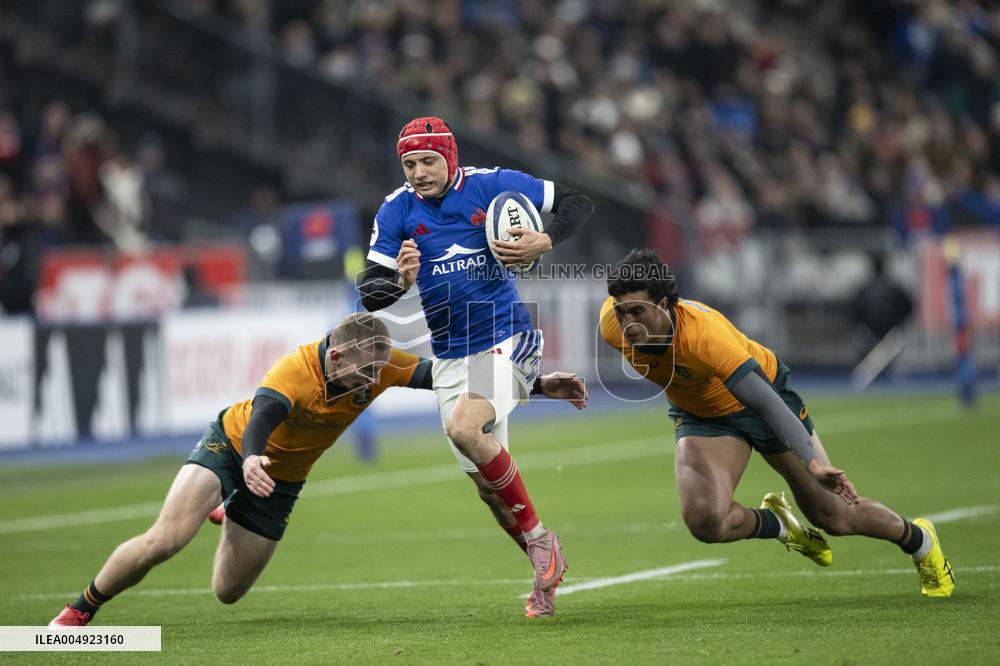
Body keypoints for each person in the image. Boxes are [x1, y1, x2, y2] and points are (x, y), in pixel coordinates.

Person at [49, 313, 587, 626]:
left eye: (376, 374)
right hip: (233, 448)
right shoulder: (296, 371)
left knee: (227, 592)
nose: (370, 383)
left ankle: (233, 509)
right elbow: (263, 416)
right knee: (165, 540)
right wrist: (251, 458)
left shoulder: (376, 364)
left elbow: (442, 379)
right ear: (334, 359)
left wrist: (539, 385)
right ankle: (77, 613)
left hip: (281, 482)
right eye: (362, 375)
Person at [597, 248, 954, 598]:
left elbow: (765, 401)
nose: (628, 324)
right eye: (622, 312)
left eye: (638, 312)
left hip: (761, 402)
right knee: (706, 521)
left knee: (833, 516)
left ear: (663, 305)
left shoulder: (704, 337)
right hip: (701, 415)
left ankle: (920, 541)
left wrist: (812, 460)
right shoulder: (611, 325)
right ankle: (781, 526)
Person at [358, 116, 594, 617]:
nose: (419, 173)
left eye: (428, 161)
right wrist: (399, 282)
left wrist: (545, 240)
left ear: (449, 156)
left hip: (507, 337)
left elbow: (578, 201)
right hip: (450, 357)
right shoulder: (397, 209)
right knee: (489, 490)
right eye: (409, 164)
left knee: (463, 427)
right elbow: (370, 292)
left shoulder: (493, 185)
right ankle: (545, 576)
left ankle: (541, 540)